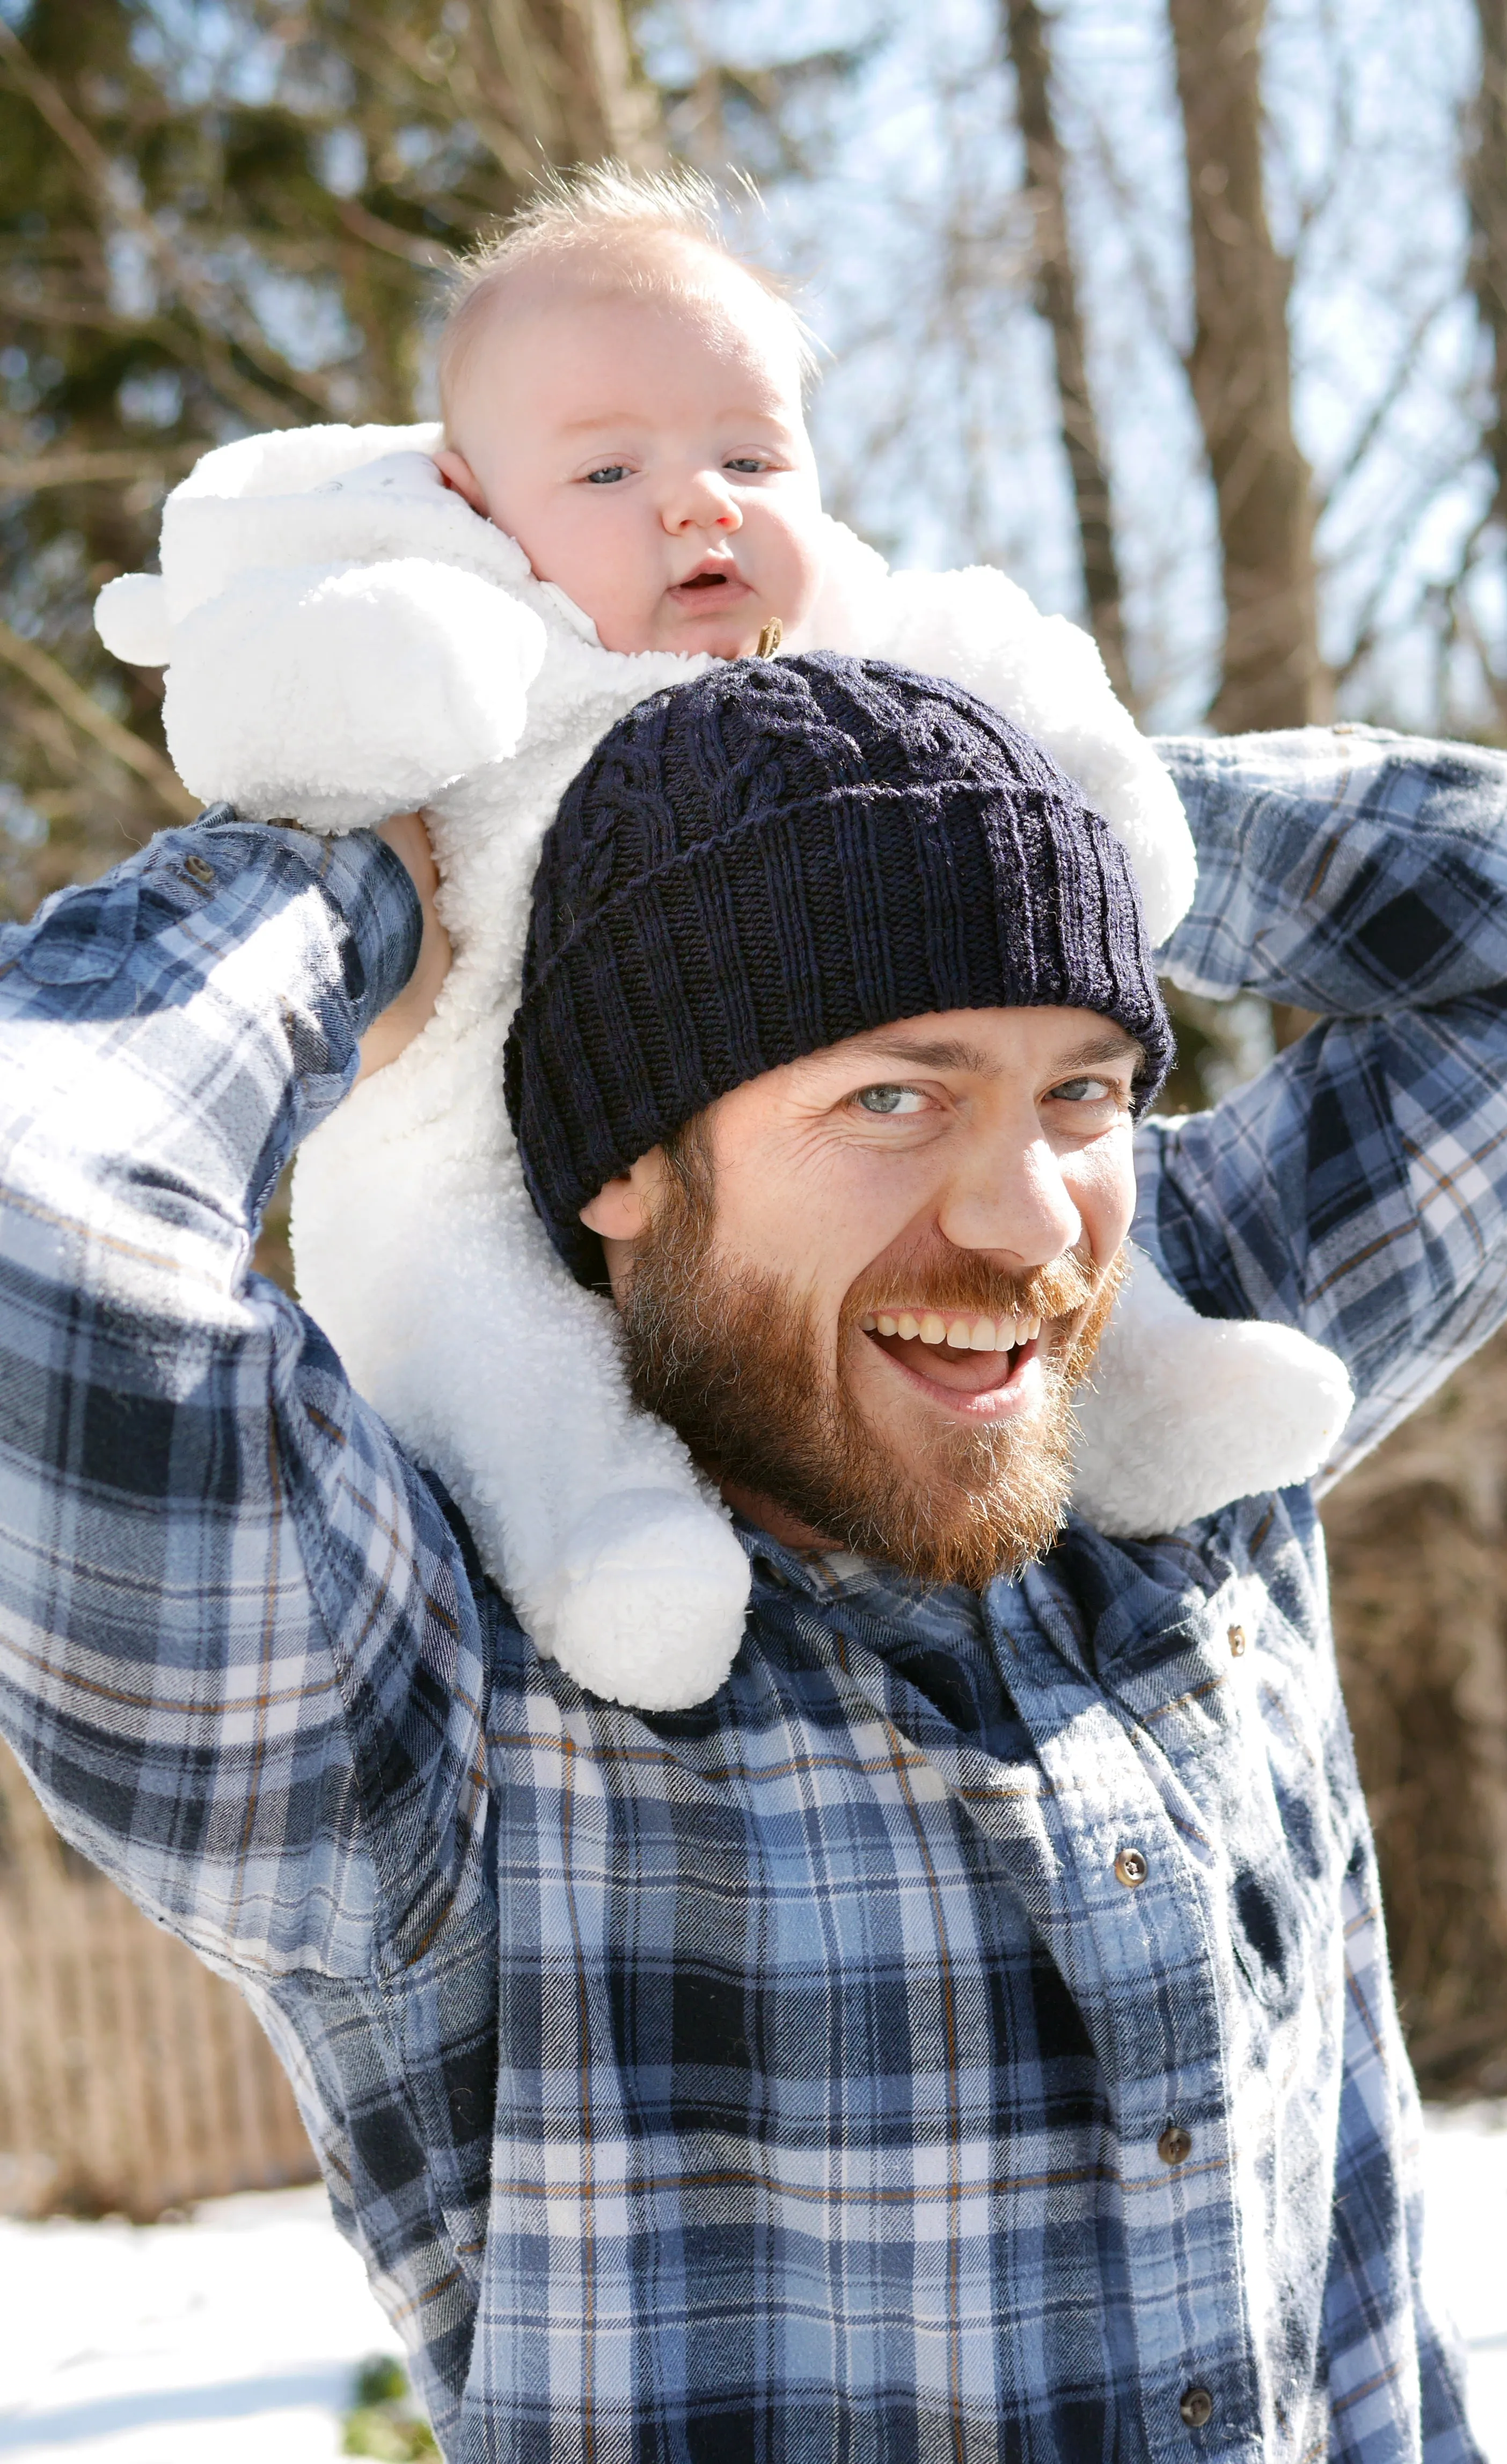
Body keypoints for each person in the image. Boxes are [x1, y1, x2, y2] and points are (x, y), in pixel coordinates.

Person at [0, 641, 1507, 2460]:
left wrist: (1076, 788)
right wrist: (369, 870)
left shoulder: (1177, 1410)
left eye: (1083, 1091)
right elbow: (45, 1216)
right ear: (626, 1167)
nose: (1027, 1218)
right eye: (890, 1100)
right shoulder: (429, 1702)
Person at [92, 165, 1344, 1715]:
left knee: (1058, 1227)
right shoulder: (486, 651)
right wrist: (354, 892)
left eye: (751, 455)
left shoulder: (879, 654)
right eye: (607, 475)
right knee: (475, 1323)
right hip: (456, 1134)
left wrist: (1053, 812)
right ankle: (599, 1542)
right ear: (475, 510)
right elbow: (264, 724)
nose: (700, 504)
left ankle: (1153, 1389)